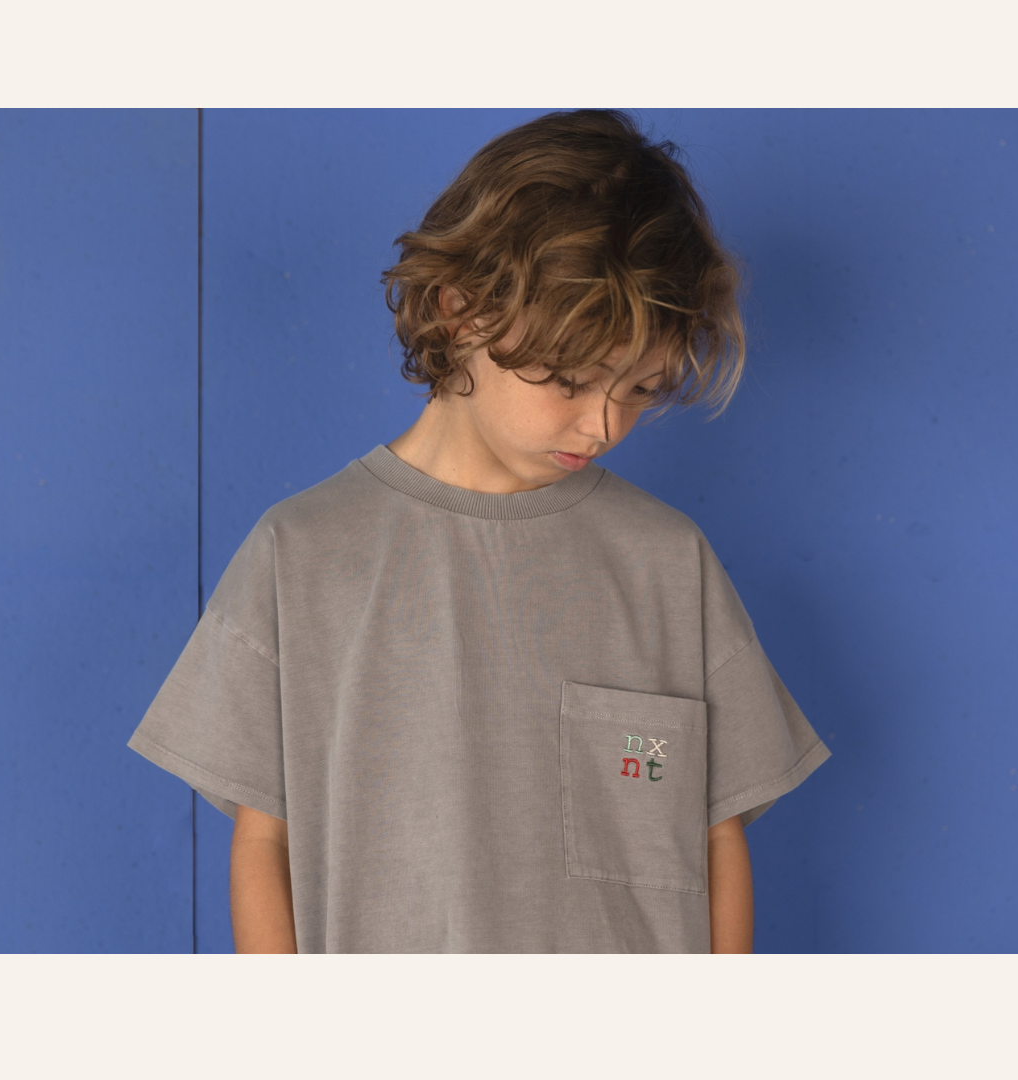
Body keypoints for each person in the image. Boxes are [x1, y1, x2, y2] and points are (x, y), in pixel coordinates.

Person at [128, 109, 830, 953]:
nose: (605, 424)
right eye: (569, 379)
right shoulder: (301, 556)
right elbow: (264, 845)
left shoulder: (667, 563)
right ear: (460, 310)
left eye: (642, 388)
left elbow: (718, 837)